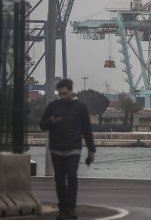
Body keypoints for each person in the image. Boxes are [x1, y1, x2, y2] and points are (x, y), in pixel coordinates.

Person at [39, 79, 96, 220]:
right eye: (60, 94)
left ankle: (71, 208)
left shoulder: (81, 108)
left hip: (73, 148)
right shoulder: (53, 106)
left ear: (71, 91)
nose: (62, 96)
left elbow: (87, 130)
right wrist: (51, 121)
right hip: (56, 149)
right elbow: (42, 125)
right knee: (59, 180)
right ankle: (62, 208)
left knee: (71, 175)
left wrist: (91, 150)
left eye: (65, 93)